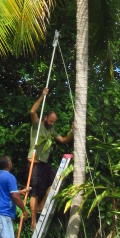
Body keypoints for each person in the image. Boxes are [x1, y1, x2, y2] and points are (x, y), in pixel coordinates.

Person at [28, 88, 74, 229]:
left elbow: (63, 140)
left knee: (56, 181)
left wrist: (72, 132)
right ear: (46, 117)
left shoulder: (51, 130)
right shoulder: (37, 125)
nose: (52, 123)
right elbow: (32, 111)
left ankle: (42, 206)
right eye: (51, 121)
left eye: (54, 122)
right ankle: (33, 221)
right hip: (34, 163)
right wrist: (42, 95)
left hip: (45, 164)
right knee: (34, 193)